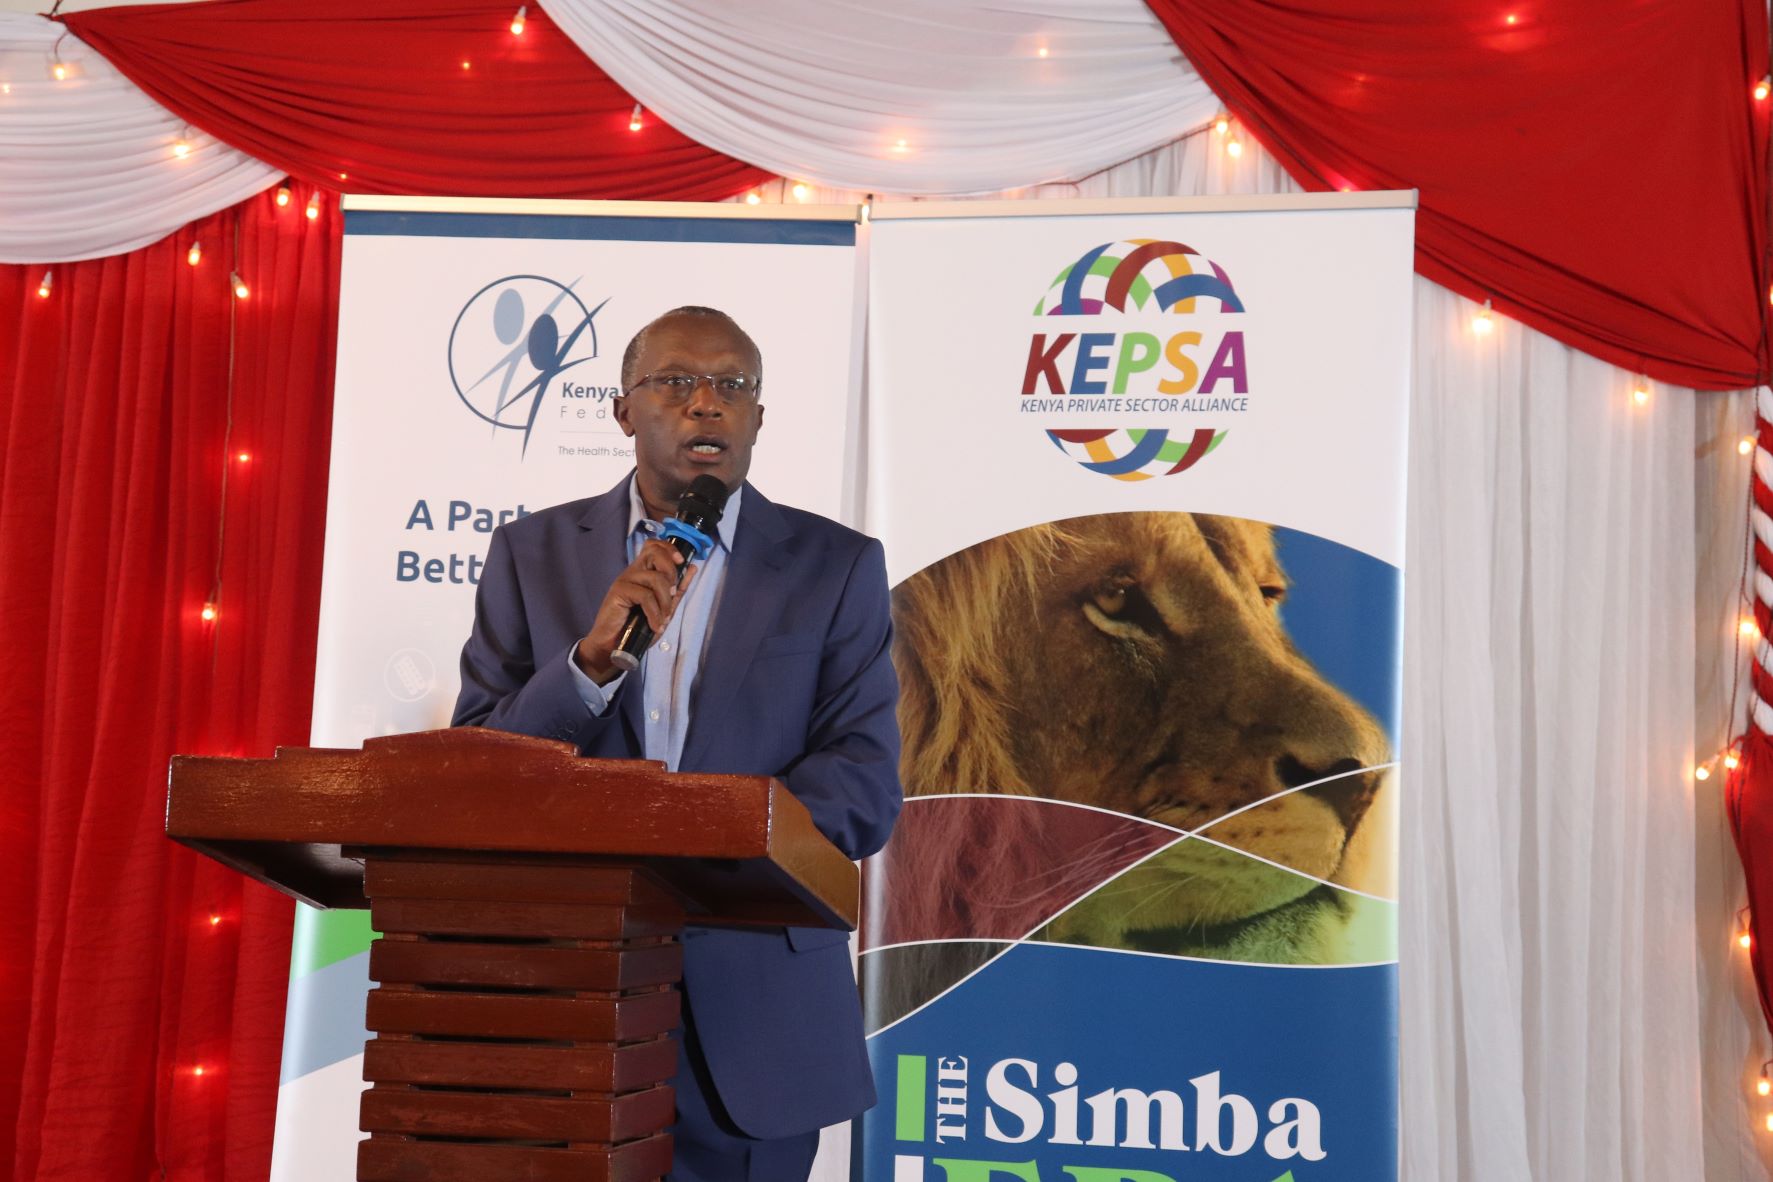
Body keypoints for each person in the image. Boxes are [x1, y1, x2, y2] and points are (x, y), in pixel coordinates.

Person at [451, 305, 901, 1181]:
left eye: (732, 385)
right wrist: (585, 668)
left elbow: (862, 784)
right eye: (677, 382)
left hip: (755, 1012)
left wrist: (694, 842)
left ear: (758, 418)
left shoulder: (836, 565)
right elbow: (476, 769)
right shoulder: (531, 552)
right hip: (565, 997)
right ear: (622, 410)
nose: (706, 403)